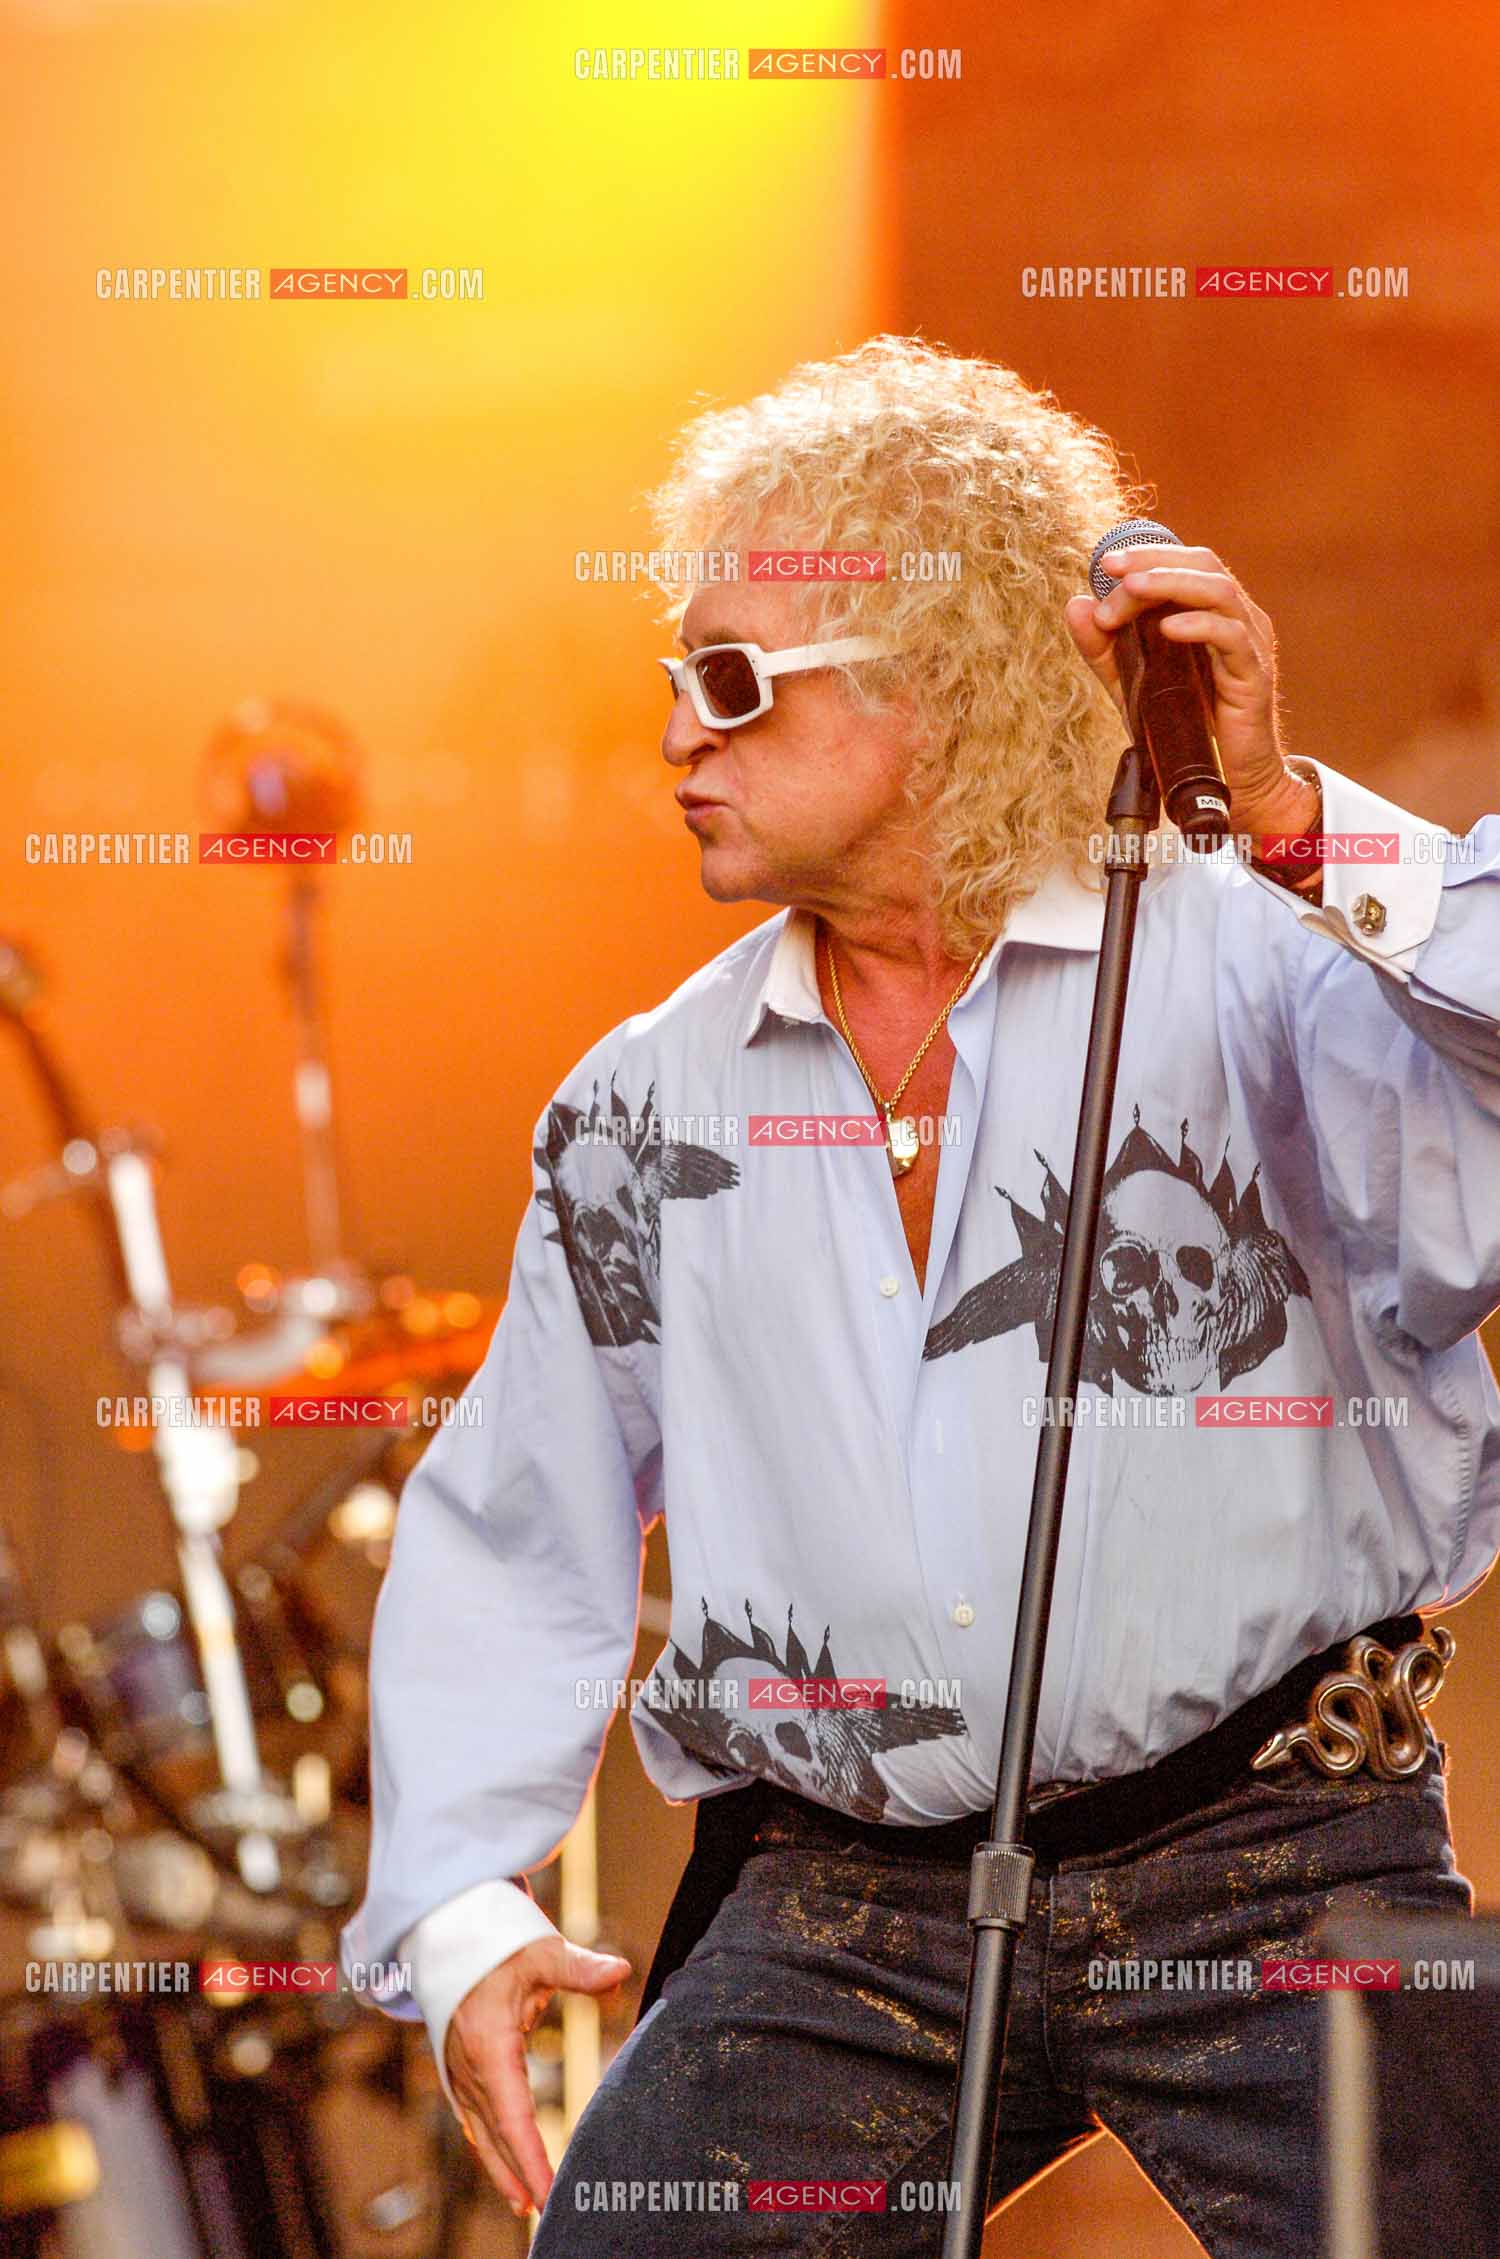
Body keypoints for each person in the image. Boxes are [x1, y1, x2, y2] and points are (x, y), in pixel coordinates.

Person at [341, 338, 1499, 2257]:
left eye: (733, 684)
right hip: (839, 1911)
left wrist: (1296, 817)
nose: (676, 742)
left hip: (1272, 1866)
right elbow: (517, 1521)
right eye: (670, 686)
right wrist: (462, 1897)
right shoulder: (648, 1099)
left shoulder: (1258, 962)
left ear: (944, 686)